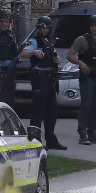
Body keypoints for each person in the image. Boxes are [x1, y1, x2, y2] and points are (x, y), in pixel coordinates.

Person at [20, 16, 67, 150]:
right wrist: (33, 52)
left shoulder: (49, 42)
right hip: (39, 78)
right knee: (38, 111)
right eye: (42, 28)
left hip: (50, 78)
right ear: (39, 28)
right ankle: (35, 141)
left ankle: (51, 140)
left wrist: (56, 60)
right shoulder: (34, 40)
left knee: (51, 112)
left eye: (47, 28)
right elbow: (22, 52)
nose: (45, 30)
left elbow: (53, 56)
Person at [66, 15, 96, 145]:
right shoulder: (82, 40)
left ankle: (93, 133)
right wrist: (81, 63)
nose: (94, 28)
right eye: (92, 25)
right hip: (87, 76)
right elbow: (70, 55)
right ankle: (82, 134)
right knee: (86, 105)